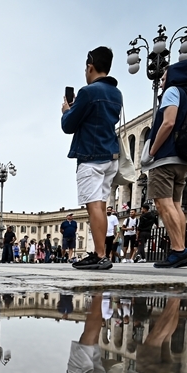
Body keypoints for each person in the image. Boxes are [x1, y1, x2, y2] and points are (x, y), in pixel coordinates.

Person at [60, 46, 123, 270]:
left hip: (90, 155)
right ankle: (102, 252)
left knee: (93, 205)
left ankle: (99, 254)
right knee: (101, 204)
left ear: (90, 66)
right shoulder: (116, 93)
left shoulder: (88, 92)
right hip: (110, 156)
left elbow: (68, 126)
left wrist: (67, 110)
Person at [141, 59, 187, 269]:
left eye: (164, 77)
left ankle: (178, 250)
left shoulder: (172, 91)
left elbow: (168, 123)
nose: (160, 82)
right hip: (182, 160)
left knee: (162, 203)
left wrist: (151, 151)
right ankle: (181, 248)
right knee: (176, 204)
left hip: (166, 157)